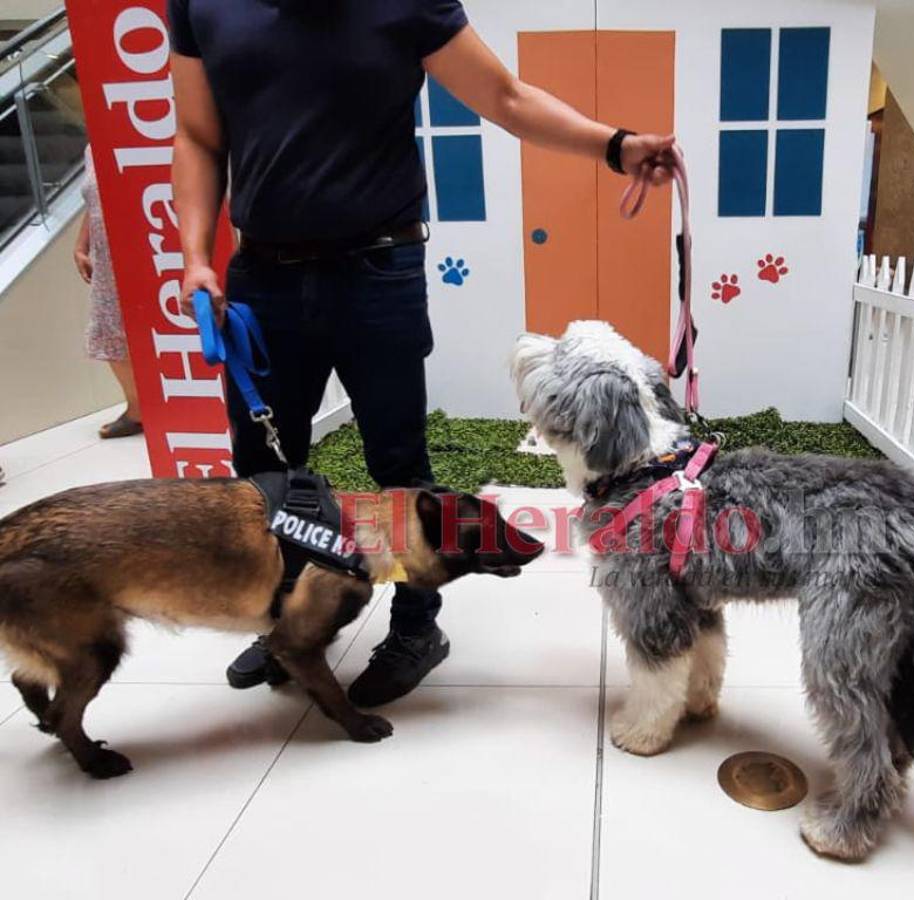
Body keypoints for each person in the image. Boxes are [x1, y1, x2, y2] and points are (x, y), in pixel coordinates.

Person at [169, 0, 676, 707]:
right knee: (261, 474)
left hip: (378, 270)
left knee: (397, 466)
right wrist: (195, 256)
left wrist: (614, 145)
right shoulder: (201, 3)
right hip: (263, 278)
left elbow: (504, 96)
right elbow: (197, 135)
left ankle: (415, 627)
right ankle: (288, 619)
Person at [75, 145, 142, 439]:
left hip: (147, 244)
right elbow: (94, 200)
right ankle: (138, 408)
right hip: (107, 255)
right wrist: (81, 243)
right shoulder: (94, 147)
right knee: (108, 330)